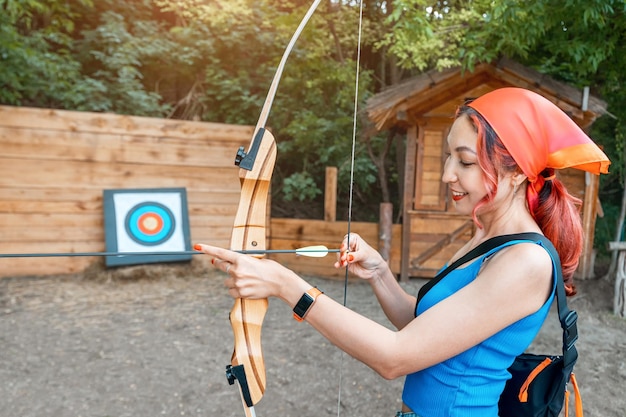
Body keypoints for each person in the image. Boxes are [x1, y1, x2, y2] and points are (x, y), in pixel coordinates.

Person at [194, 87, 610, 416]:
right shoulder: (485, 236)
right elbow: (424, 326)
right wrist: (378, 272)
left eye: (465, 161)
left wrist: (286, 284)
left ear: (517, 171)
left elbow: (396, 357)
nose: (448, 173)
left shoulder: (526, 262)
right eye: (449, 156)